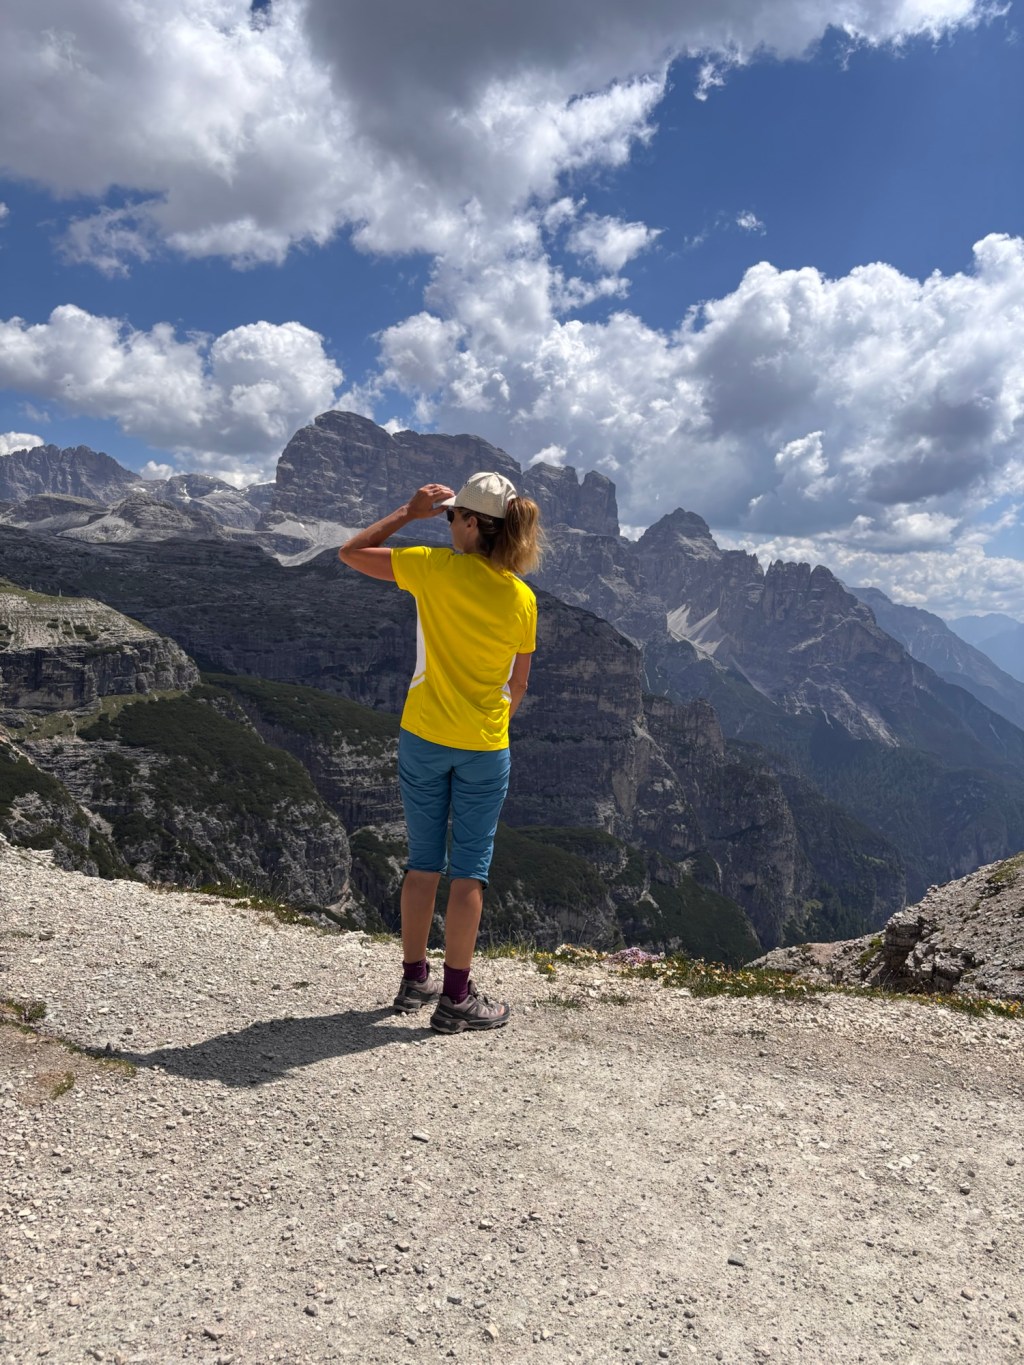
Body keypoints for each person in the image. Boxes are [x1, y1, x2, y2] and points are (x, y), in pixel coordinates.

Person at [338, 472, 542, 1033]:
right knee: (469, 874)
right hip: (483, 746)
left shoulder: (430, 568)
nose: (449, 523)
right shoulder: (523, 598)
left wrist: (408, 512)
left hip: (422, 737)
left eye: (454, 516)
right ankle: (456, 998)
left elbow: (350, 553)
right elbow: (518, 683)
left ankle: (413, 981)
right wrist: (492, 726)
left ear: (472, 524)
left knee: (422, 864)